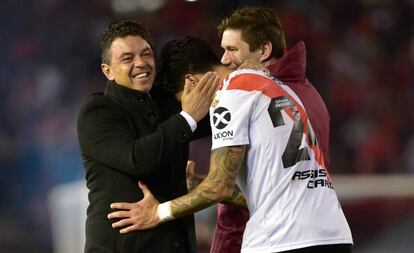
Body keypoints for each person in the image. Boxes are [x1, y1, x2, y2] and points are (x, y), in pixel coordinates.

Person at [107, 36, 353, 253]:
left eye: (184, 100)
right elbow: (268, 192)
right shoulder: (275, 86)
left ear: (192, 82)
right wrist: (200, 184)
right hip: (332, 233)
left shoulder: (229, 94)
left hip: (282, 239)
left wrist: (157, 213)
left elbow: (219, 188)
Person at [76, 20, 218, 252]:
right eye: (127, 58)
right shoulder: (98, 111)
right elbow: (138, 158)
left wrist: (247, 77)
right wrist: (188, 117)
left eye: (146, 54)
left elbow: (217, 121)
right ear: (107, 71)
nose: (140, 63)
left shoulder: (166, 106)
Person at [211, 7, 332, 252]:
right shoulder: (310, 95)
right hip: (324, 232)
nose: (224, 59)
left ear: (264, 50)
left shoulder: (246, 93)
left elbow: (237, 208)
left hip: (277, 238)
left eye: (232, 49)